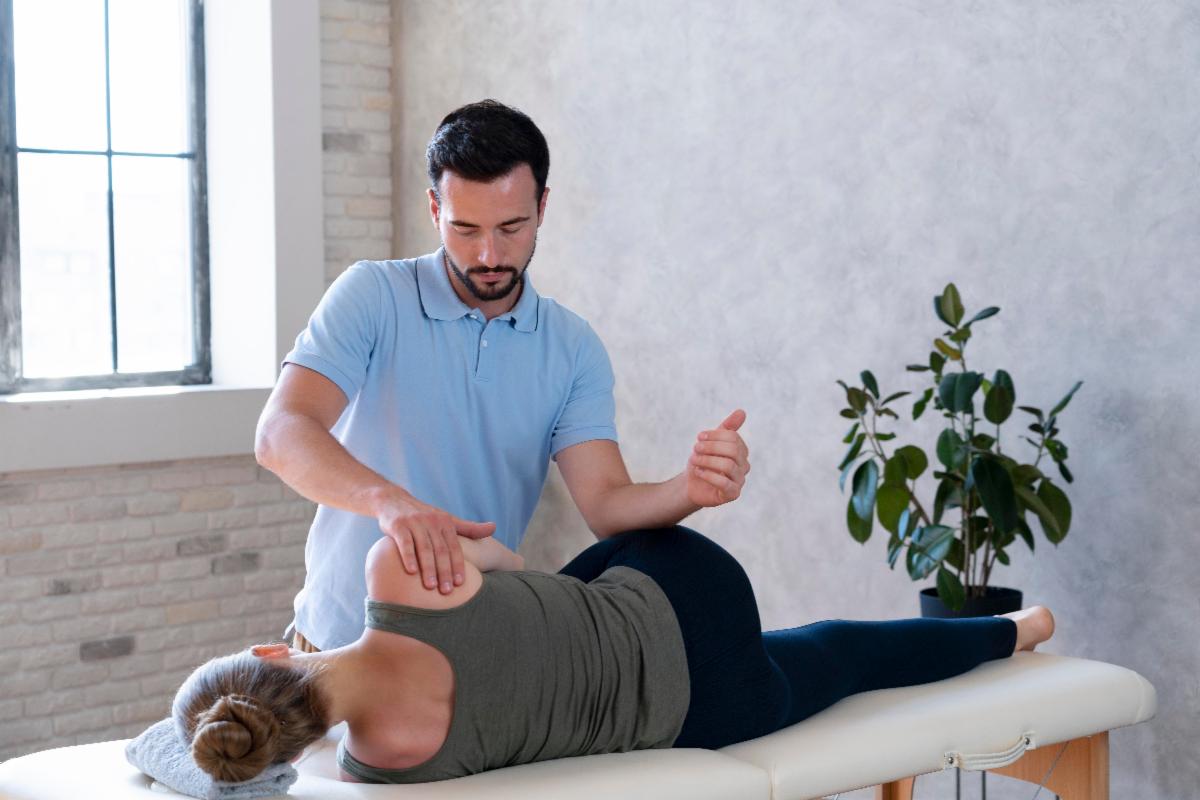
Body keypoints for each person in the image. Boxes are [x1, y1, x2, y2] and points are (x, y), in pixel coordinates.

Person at [254, 99, 753, 653]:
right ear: (433, 208)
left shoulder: (572, 347)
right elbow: (281, 433)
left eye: (510, 227)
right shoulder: (372, 296)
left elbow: (608, 506)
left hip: (468, 660)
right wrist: (388, 501)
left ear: (542, 207)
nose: (488, 254)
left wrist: (687, 489)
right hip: (335, 647)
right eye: (464, 229)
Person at [172, 525, 1056, 784]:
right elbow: (513, 564)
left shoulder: (385, 766)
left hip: (712, 711)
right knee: (568, 575)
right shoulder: (397, 566)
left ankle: (1012, 630)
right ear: (272, 649)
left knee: (833, 653)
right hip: (688, 584)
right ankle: (1015, 627)